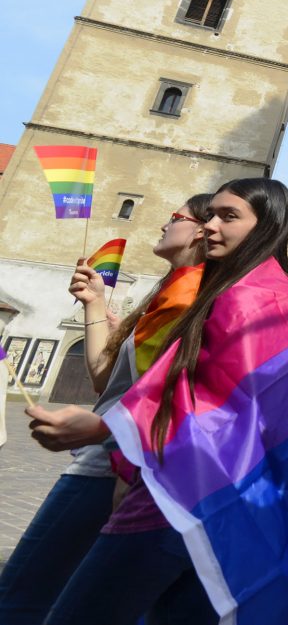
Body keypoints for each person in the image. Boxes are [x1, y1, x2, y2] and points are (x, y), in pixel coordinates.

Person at [31, 178, 288, 624]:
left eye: (228, 217)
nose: (209, 226)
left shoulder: (247, 299)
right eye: (210, 214)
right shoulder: (266, 294)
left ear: (265, 227)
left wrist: (104, 427)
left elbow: (216, 403)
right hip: (229, 512)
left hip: (187, 494)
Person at [0, 194, 211, 623]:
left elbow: (157, 400)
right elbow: (106, 379)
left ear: (200, 231)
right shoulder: (172, 288)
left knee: (23, 593)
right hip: (114, 460)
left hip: (114, 463)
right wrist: (94, 303)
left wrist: (102, 433)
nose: (163, 225)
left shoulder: (189, 298)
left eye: (175, 217)